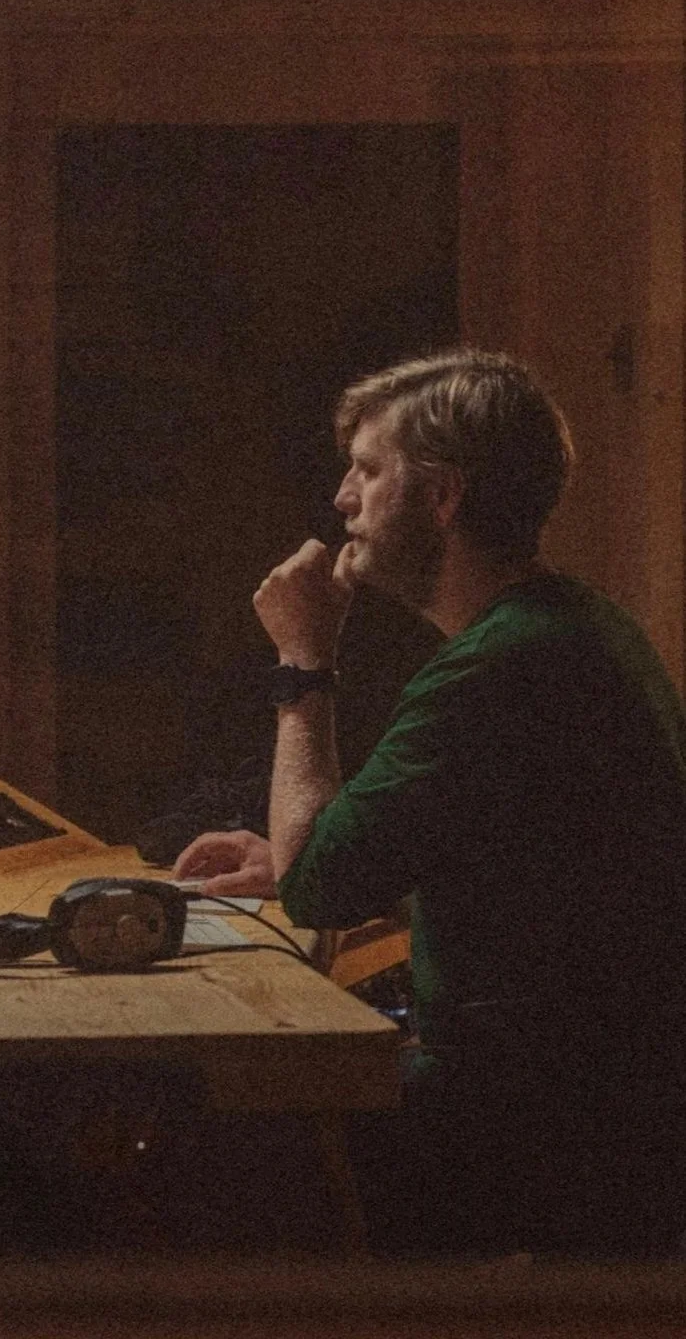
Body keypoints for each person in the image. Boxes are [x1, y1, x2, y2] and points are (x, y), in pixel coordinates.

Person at [173, 349, 686, 1259]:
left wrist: (304, 662)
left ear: (442, 497)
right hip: (615, 1110)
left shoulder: (493, 669)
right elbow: (539, 884)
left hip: (532, 1125)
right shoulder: (580, 624)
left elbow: (316, 891)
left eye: (369, 471)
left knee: (206, 1149)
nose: (342, 499)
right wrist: (302, 852)